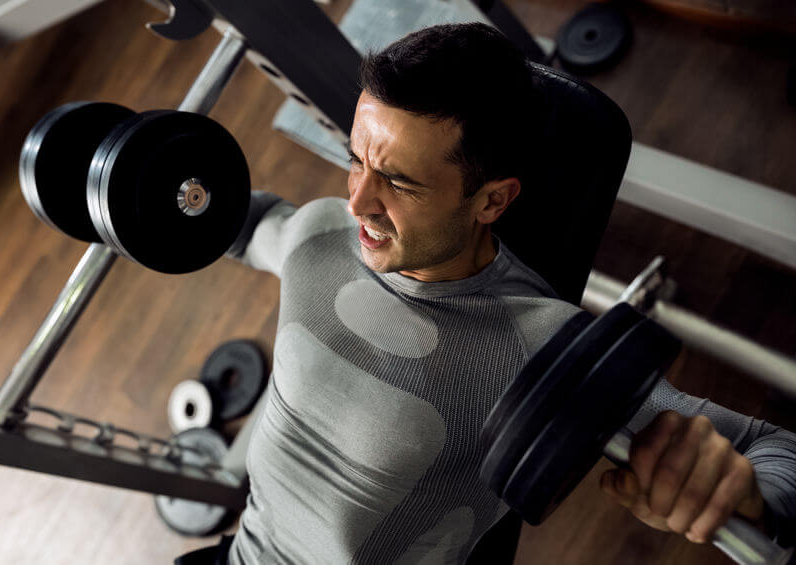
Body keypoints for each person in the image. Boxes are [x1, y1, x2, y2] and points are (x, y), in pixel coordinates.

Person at [209, 22, 795, 564]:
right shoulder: (319, 233)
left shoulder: (533, 347)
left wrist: (745, 496)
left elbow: (778, 451)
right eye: (356, 160)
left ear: (492, 201)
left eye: (399, 182)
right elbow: (247, 223)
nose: (357, 202)